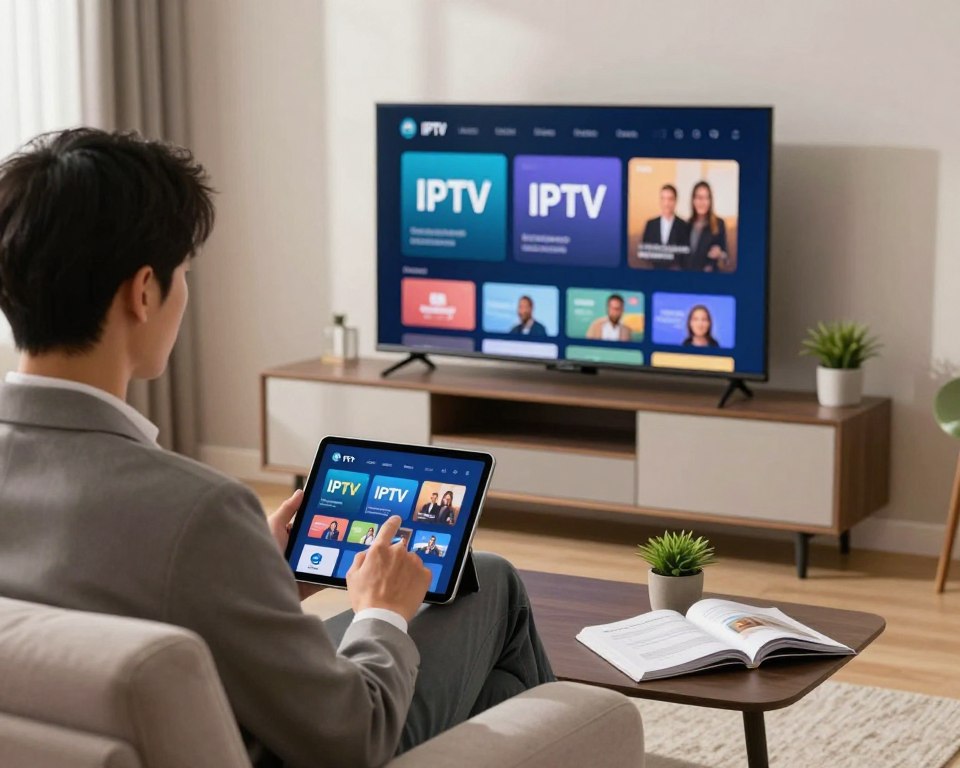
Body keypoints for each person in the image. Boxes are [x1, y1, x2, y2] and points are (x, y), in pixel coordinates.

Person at [0, 128, 555, 768]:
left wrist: (252, 578)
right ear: (144, 291)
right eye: (184, 274)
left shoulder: (190, 524)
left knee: (494, 687)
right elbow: (355, 736)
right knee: (489, 582)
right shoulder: (197, 511)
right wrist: (381, 612)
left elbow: (83, 627)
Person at [640, 183, 690, 270]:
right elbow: (644, 251)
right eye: (663, 199)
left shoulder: (684, 226)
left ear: (675, 201)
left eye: (670, 199)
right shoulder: (651, 224)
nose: (666, 203)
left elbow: (686, 254)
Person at [683, 181, 729, 272]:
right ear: (693, 200)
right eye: (699, 197)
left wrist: (720, 254)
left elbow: (726, 258)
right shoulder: (687, 224)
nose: (702, 202)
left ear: (710, 201)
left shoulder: (719, 223)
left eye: (706, 198)